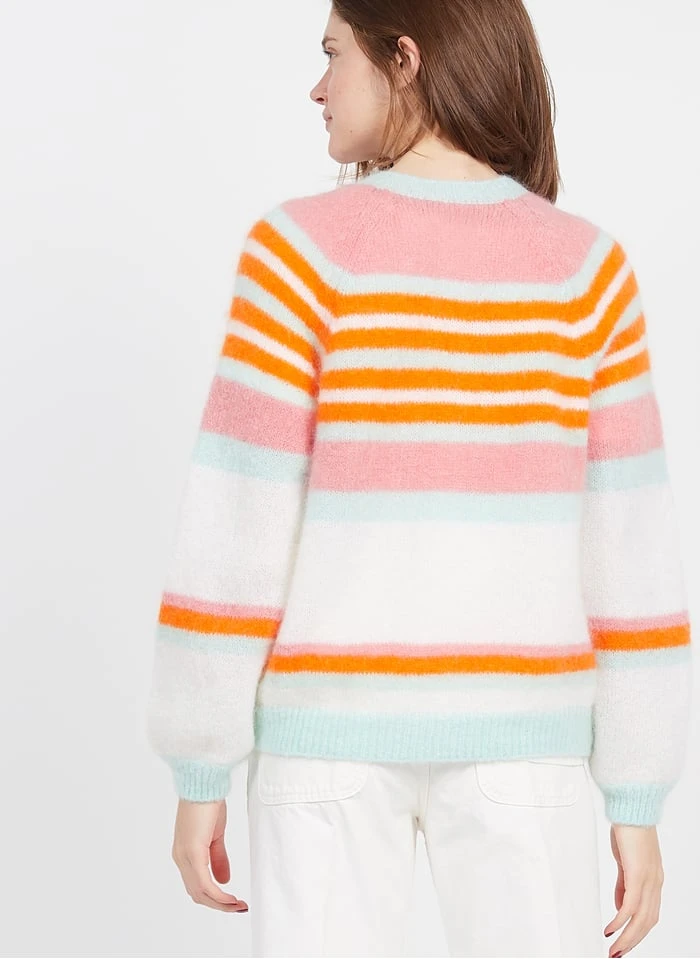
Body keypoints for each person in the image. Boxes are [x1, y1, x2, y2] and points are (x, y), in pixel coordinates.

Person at [145, 1, 693, 957]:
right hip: (524, 744)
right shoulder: (584, 271)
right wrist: (635, 793)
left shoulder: (299, 254)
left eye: (332, 55)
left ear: (404, 57)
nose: (317, 87)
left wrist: (202, 765)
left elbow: (235, 527)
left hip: (328, 743)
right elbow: (630, 552)